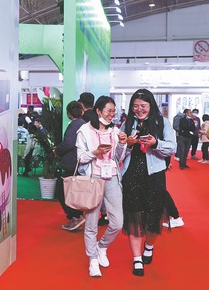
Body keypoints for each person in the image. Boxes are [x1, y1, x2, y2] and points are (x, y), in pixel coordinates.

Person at [120, 89, 176, 277]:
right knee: (133, 216)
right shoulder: (127, 123)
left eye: (143, 106)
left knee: (154, 216)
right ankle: (137, 258)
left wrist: (155, 143)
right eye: (135, 106)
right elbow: (117, 153)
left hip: (154, 176)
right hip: (131, 176)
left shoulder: (162, 123)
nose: (139, 109)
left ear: (151, 105)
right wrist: (127, 144)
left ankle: (149, 246)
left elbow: (172, 147)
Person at [75, 96, 127, 277]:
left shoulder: (115, 131)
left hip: (112, 176)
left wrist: (122, 144)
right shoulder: (84, 130)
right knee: (91, 223)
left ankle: (102, 246)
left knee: (118, 222)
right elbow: (80, 158)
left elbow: (119, 158)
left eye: (114, 111)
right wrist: (94, 152)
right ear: (98, 111)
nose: (112, 114)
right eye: (109, 111)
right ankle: (93, 259)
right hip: (93, 178)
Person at [55, 100, 86, 231]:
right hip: (79, 163)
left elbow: (68, 143)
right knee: (74, 191)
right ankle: (76, 217)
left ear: (68, 113)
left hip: (72, 163)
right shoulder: (84, 124)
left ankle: (75, 216)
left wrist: (57, 150)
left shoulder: (74, 125)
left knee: (62, 191)